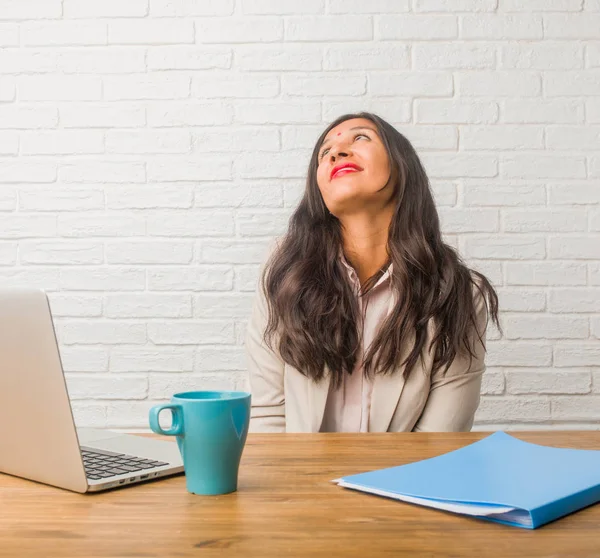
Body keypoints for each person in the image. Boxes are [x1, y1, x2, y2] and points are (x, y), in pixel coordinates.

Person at [245, 112, 500, 433]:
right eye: (325, 152)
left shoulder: (460, 292)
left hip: (403, 481)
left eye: (360, 137)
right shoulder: (284, 271)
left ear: (401, 165)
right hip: (296, 477)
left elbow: (439, 440)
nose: (336, 153)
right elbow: (267, 415)